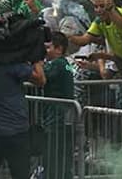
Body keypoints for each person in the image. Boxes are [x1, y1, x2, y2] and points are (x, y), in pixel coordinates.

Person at [0, 53, 45, 179]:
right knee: (20, 174)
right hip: (15, 132)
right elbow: (40, 80)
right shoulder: (13, 66)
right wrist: (35, 57)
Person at [43, 32, 76, 179]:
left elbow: (40, 77)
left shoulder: (57, 64)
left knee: (53, 156)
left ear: (59, 49)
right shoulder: (66, 64)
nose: (45, 50)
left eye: (48, 47)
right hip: (64, 117)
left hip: (56, 117)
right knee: (64, 156)